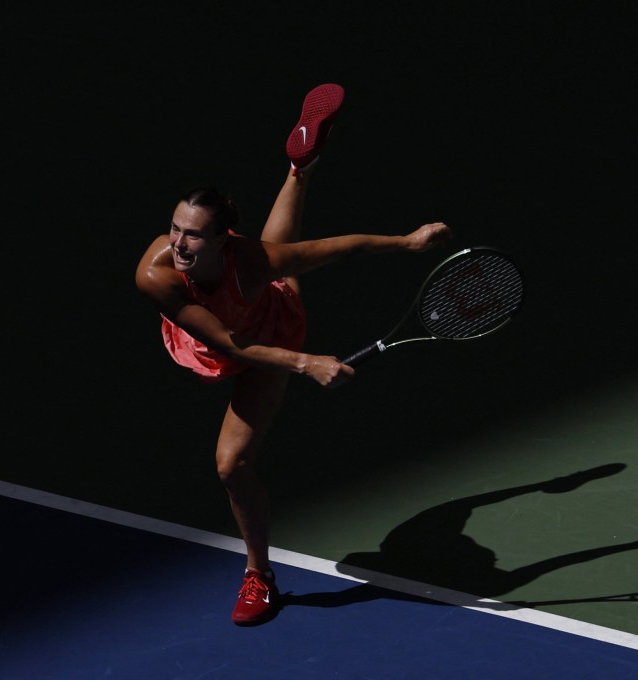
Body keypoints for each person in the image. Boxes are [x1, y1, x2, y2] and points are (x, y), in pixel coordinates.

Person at [135, 84, 452, 625]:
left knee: (232, 465)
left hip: (268, 332)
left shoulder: (251, 260)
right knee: (270, 272)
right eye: (174, 230)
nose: (179, 244)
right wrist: (310, 363)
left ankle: (258, 575)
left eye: (193, 236)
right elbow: (227, 345)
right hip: (224, 340)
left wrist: (407, 243)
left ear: (223, 238)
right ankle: (300, 165)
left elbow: (337, 248)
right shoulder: (156, 276)